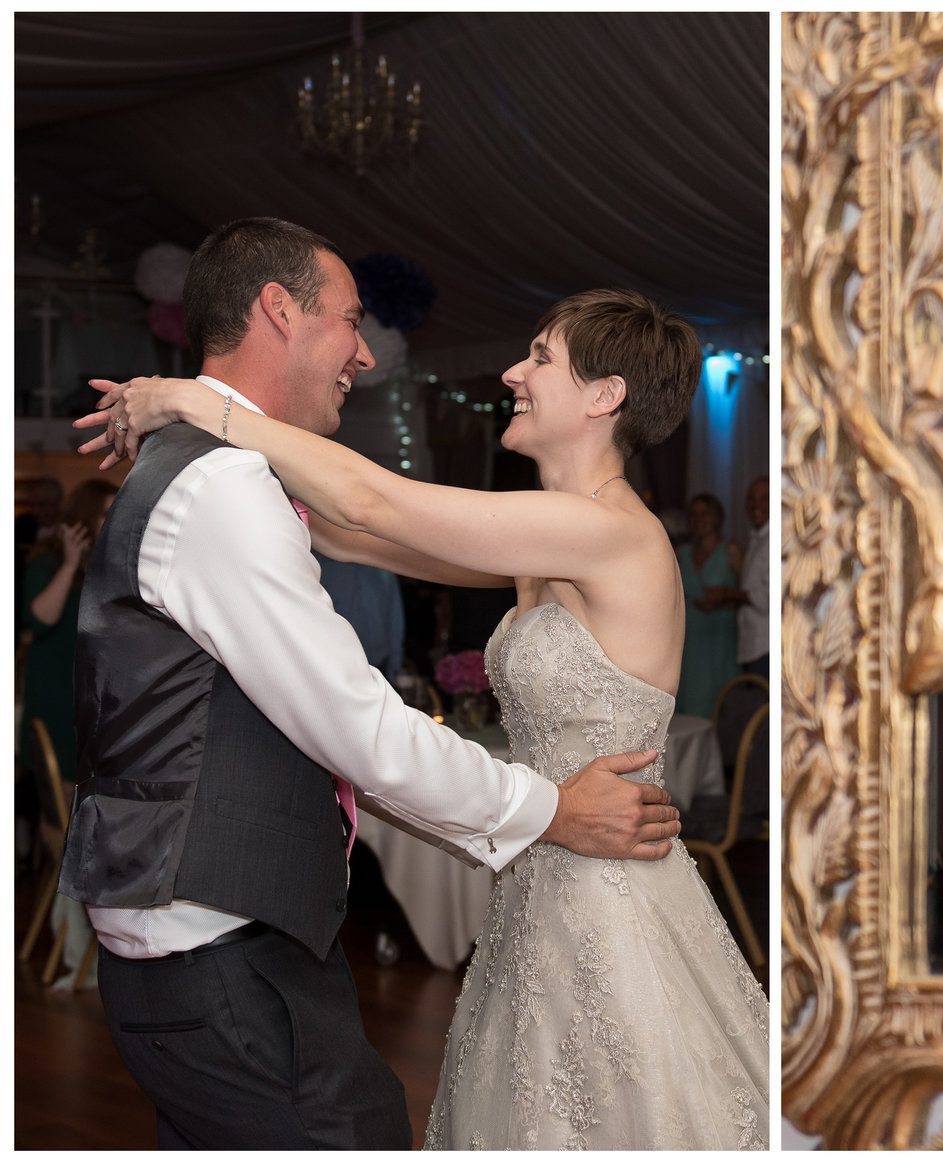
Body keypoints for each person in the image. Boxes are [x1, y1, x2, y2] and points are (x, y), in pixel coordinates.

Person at [81, 220, 759, 1149]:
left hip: (607, 876)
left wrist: (198, 404)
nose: (514, 373)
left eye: (541, 358)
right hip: (542, 874)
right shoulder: (546, 531)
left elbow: (371, 502)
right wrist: (203, 431)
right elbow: (352, 531)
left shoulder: (612, 533)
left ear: (606, 394)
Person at [19, 479, 116, 770]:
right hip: (56, 692)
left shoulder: (109, 562)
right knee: (58, 795)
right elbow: (40, 619)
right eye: (105, 513)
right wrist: (70, 564)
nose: (115, 519)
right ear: (86, 516)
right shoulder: (48, 559)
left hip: (94, 694)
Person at [676, 492, 742, 717]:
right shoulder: (681, 553)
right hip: (689, 643)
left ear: (717, 517)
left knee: (722, 709)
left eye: (705, 514)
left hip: (719, 642)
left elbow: (750, 598)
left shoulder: (731, 551)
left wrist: (724, 599)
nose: (698, 519)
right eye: (693, 515)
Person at [735, 475, 770, 679]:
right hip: (751, 641)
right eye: (751, 498)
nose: (755, 504)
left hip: (765, 643)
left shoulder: (774, 538)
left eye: (764, 498)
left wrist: (729, 595)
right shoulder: (757, 538)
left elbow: (767, 598)